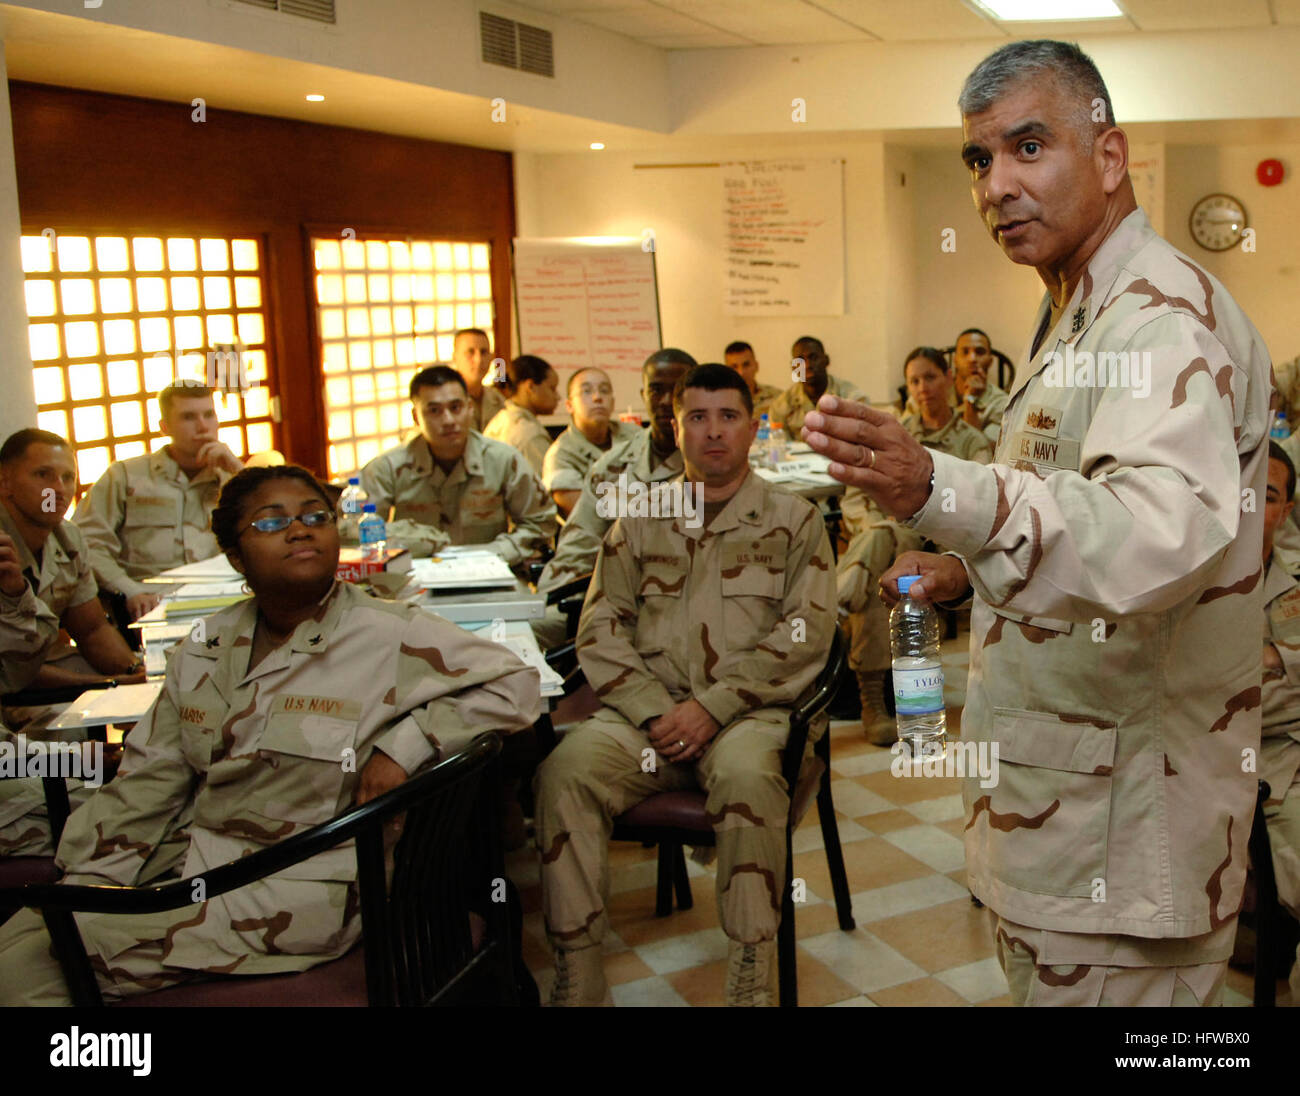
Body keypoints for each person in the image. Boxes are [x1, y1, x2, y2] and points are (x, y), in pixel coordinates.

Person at [803, 39, 1271, 1007]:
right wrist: (968, 566)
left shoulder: (1153, 319)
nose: (995, 186)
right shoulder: (1077, 307)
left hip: (1123, 829)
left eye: (1027, 147)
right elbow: (1085, 504)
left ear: (1108, 157)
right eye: (978, 159)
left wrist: (940, 486)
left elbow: (1157, 537)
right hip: (1065, 817)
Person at [0, 464, 542, 1005]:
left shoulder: (391, 633)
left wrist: (406, 748)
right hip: (189, 861)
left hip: (298, 886)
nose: (300, 529)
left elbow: (518, 685)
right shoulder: (206, 645)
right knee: (25, 940)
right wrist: (92, 878)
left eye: (315, 517)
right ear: (235, 557)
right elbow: (150, 777)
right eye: (271, 522)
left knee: (34, 971)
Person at [535, 364, 836, 1006]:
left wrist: (712, 707)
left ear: (753, 427)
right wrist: (653, 713)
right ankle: (578, 971)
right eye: (696, 417)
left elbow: (807, 632)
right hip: (647, 721)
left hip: (748, 718)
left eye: (728, 416)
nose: (713, 432)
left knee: (751, 781)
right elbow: (600, 627)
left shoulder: (793, 520)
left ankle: (752, 969)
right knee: (564, 774)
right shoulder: (641, 517)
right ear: (674, 427)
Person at [0, 430, 145, 856]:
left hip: (15, 753)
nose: (58, 490)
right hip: (18, 734)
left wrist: (129, 677)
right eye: (44, 475)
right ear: (5, 482)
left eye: (68, 478)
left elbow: (93, 630)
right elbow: (15, 675)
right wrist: (84, 761)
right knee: (115, 821)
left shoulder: (65, 538)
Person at [838, 348, 991, 743]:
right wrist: (873, 525)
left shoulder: (971, 441)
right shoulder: (895, 435)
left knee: (888, 549)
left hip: (939, 546)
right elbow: (855, 497)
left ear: (948, 380)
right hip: (890, 539)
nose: (922, 388)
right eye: (914, 381)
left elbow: (980, 503)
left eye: (930, 378)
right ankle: (881, 701)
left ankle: (836, 608)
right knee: (885, 552)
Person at [73, 382, 243, 622]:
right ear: (165, 427)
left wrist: (239, 472)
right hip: (150, 605)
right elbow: (86, 543)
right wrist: (129, 589)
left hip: (225, 603)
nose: (203, 426)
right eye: (188, 417)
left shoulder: (235, 480)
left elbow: (275, 531)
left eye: (209, 415)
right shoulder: (126, 476)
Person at [535, 348, 694, 595]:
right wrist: (552, 597)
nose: (665, 401)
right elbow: (579, 545)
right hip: (614, 595)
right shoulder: (613, 467)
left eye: (676, 391)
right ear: (643, 395)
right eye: (656, 390)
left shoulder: (714, 467)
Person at [360, 366, 556, 562]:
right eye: (434, 411)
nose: (448, 420)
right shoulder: (387, 467)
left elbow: (540, 524)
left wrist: (494, 553)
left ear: (469, 408)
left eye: (455, 408)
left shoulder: (504, 460)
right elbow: (355, 529)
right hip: (415, 576)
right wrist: (411, 541)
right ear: (416, 416)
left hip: (489, 572)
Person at [1256, 442, 1300, 1004]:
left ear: (1286, 510)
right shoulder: (1187, 583)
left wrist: (1272, 662)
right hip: (1255, 766)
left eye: (1267, 495)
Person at [541, 367, 640, 519]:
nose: (597, 397)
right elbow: (588, 515)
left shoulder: (635, 435)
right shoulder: (561, 455)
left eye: (604, 390)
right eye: (586, 391)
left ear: (613, 403)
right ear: (569, 405)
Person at [764, 336, 866, 439]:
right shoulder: (780, 407)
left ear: (826, 360)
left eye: (813, 357)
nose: (807, 365)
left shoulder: (852, 399)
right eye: (800, 361)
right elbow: (780, 448)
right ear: (794, 368)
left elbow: (860, 441)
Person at [482, 354, 560, 478]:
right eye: (552, 388)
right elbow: (550, 485)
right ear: (531, 387)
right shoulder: (529, 434)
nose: (558, 397)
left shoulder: (499, 420)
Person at [952, 328, 1010, 445]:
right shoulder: (934, 389)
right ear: (955, 360)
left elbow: (980, 450)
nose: (972, 359)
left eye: (979, 352)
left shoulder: (1001, 403)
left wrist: (970, 400)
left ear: (990, 361)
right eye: (965, 352)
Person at [451, 328, 506, 431]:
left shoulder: (497, 399)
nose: (479, 360)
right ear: (455, 357)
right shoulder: (444, 400)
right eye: (470, 352)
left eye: (484, 352)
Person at [724, 341, 783, 416]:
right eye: (734, 367)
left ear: (756, 366)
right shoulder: (719, 403)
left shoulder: (778, 398)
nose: (741, 372)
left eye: (746, 365)